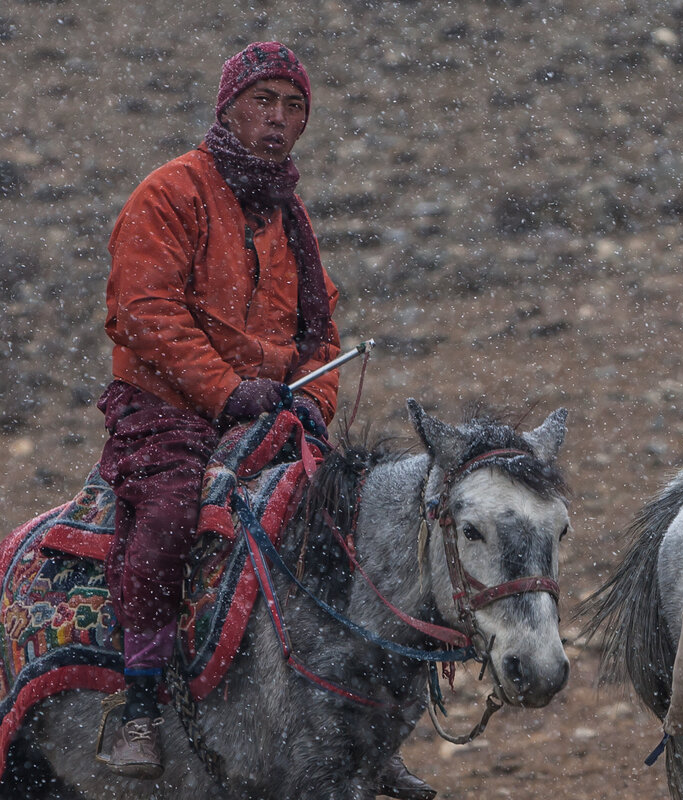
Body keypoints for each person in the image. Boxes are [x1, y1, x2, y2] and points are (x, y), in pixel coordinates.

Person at [97, 42, 434, 800]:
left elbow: (323, 332)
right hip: (165, 412)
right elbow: (142, 312)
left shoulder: (290, 215)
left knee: (346, 525)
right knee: (166, 522)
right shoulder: (170, 192)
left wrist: (309, 404)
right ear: (228, 107)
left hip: (269, 414)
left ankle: (362, 735)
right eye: (264, 101)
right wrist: (225, 390)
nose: (278, 119)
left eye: (294, 107)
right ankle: (141, 706)